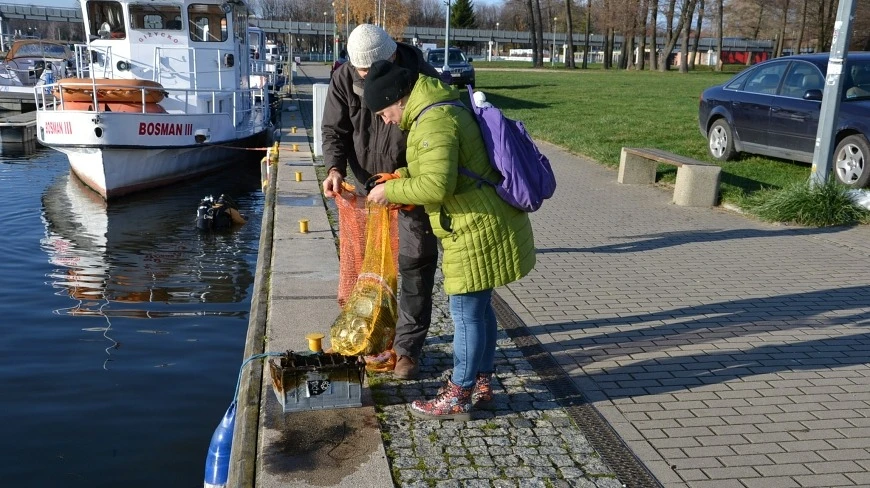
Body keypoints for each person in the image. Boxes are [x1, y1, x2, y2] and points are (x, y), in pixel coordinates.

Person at [363, 60, 536, 420]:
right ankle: (483, 381)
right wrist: (401, 175)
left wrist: (391, 190)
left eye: (384, 112)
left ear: (398, 98)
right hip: (482, 219)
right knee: (481, 310)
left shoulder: (434, 121)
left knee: (464, 312)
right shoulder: (438, 107)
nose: (386, 120)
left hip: (474, 227)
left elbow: (438, 185)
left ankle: (458, 393)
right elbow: (445, 167)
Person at [321, 24, 441, 380]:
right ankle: (370, 334)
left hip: (410, 188)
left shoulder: (422, 77)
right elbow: (334, 129)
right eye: (356, 72)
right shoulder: (344, 77)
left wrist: (402, 180)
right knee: (366, 269)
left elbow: (434, 142)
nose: (359, 78)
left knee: (415, 265)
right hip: (366, 188)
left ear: (389, 59)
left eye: (366, 73)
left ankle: (407, 349)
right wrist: (334, 168)